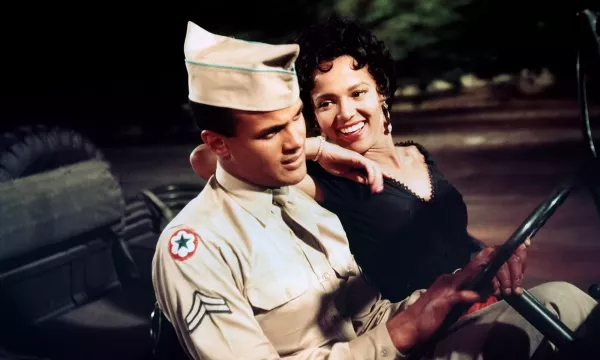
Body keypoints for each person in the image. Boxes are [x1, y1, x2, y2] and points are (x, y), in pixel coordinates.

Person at [152, 20, 597, 360]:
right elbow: (207, 163)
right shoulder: (200, 244)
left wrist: (459, 282)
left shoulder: (299, 202)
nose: (293, 142)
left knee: (568, 302)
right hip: (397, 346)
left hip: (410, 338)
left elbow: (373, 309)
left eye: (295, 120)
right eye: (273, 131)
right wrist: (403, 332)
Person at [189, 15, 494, 304]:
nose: (346, 113)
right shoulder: (320, 179)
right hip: (424, 332)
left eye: (358, 93)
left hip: (480, 300)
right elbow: (204, 160)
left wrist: (493, 256)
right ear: (312, 116)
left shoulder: (417, 154)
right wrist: (316, 149)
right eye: (326, 103)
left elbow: (451, 237)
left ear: (381, 92)